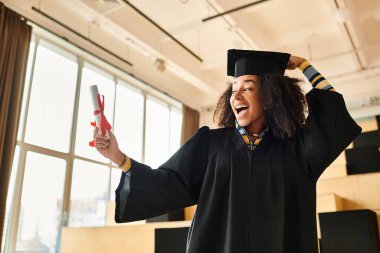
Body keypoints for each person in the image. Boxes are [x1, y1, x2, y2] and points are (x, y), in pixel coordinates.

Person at [93, 49, 361, 253]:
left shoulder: (298, 148)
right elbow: (168, 183)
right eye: (233, 90)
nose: (237, 97)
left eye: (247, 88)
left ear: (270, 96)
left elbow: (332, 109)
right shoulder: (210, 144)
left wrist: (303, 65)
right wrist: (118, 157)